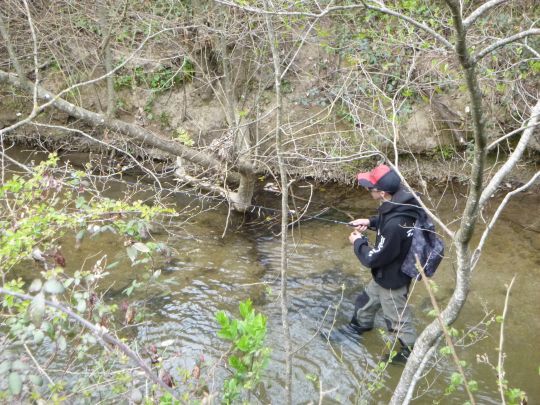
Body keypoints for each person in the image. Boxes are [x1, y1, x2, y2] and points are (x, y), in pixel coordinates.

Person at [347, 164, 421, 363]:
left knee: (398, 322)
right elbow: (388, 220)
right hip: (385, 274)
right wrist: (371, 222)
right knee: (364, 304)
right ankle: (357, 330)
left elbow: (372, 259)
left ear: (381, 192)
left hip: (393, 280)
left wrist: (358, 242)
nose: (367, 190)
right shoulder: (403, 202)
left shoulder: (395, 225)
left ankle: (409, 354)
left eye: (370, 188)